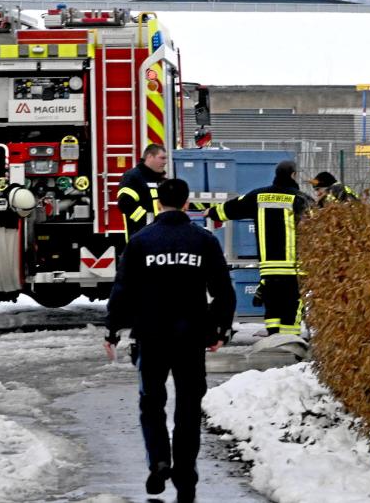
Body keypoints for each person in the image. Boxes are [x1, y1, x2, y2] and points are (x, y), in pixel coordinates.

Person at [105, 178, 235, 503]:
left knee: (151, 402)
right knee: (189, 406)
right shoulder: (204, 240)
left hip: (151, 336)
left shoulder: (141, 241)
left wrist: (112, 330)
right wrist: (221, 329)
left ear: (158, 204)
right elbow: (223, 290)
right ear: (187, 204)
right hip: (191, 336)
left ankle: (160, 461)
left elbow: (122, 290)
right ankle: (186, 471)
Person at [206, 160, 311, 336]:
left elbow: (234, 206)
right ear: (293, 175)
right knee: (291, 306)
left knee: (272, 305)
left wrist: (212, 212)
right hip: (293, 268)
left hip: (269, 267)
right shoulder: (301, 199)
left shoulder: (258, 196)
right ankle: (290, 341)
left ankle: (274, 338)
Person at [117, 144, 169, 241]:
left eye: (165, 159)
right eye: (162, 158)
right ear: (149, 157)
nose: (165, 162)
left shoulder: (160, 179)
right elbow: (125, 204)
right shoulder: (132, 177)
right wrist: (147, 220)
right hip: (140, 238)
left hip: (160, 236)